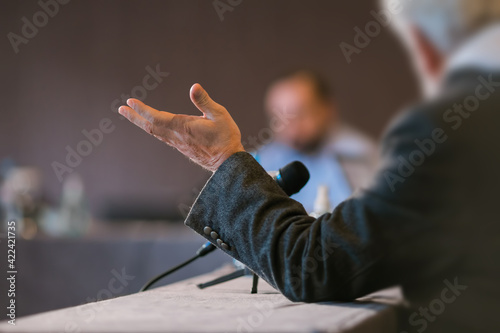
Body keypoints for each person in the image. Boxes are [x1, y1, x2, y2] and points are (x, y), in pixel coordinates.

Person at [118, 0, 500, 331]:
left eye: (299, 113)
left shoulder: (447, 130)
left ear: (423, 44)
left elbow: (313, 265)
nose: (289, 124)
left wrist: (223, 158)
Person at [254, 70, 376, 213]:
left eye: (300, 115)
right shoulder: (265, 161)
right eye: (277, 120)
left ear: (328, 108)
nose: (291, 130)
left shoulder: (357, 156)